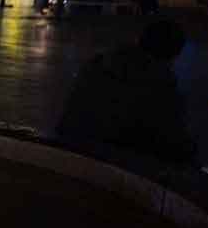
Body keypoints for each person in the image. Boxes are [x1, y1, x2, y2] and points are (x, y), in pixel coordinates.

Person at [57, 20, 195, 164]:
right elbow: (174, 139)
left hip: (70, 151)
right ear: (173, 55)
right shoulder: (160, 86)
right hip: (116, 165)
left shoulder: (98, 64)